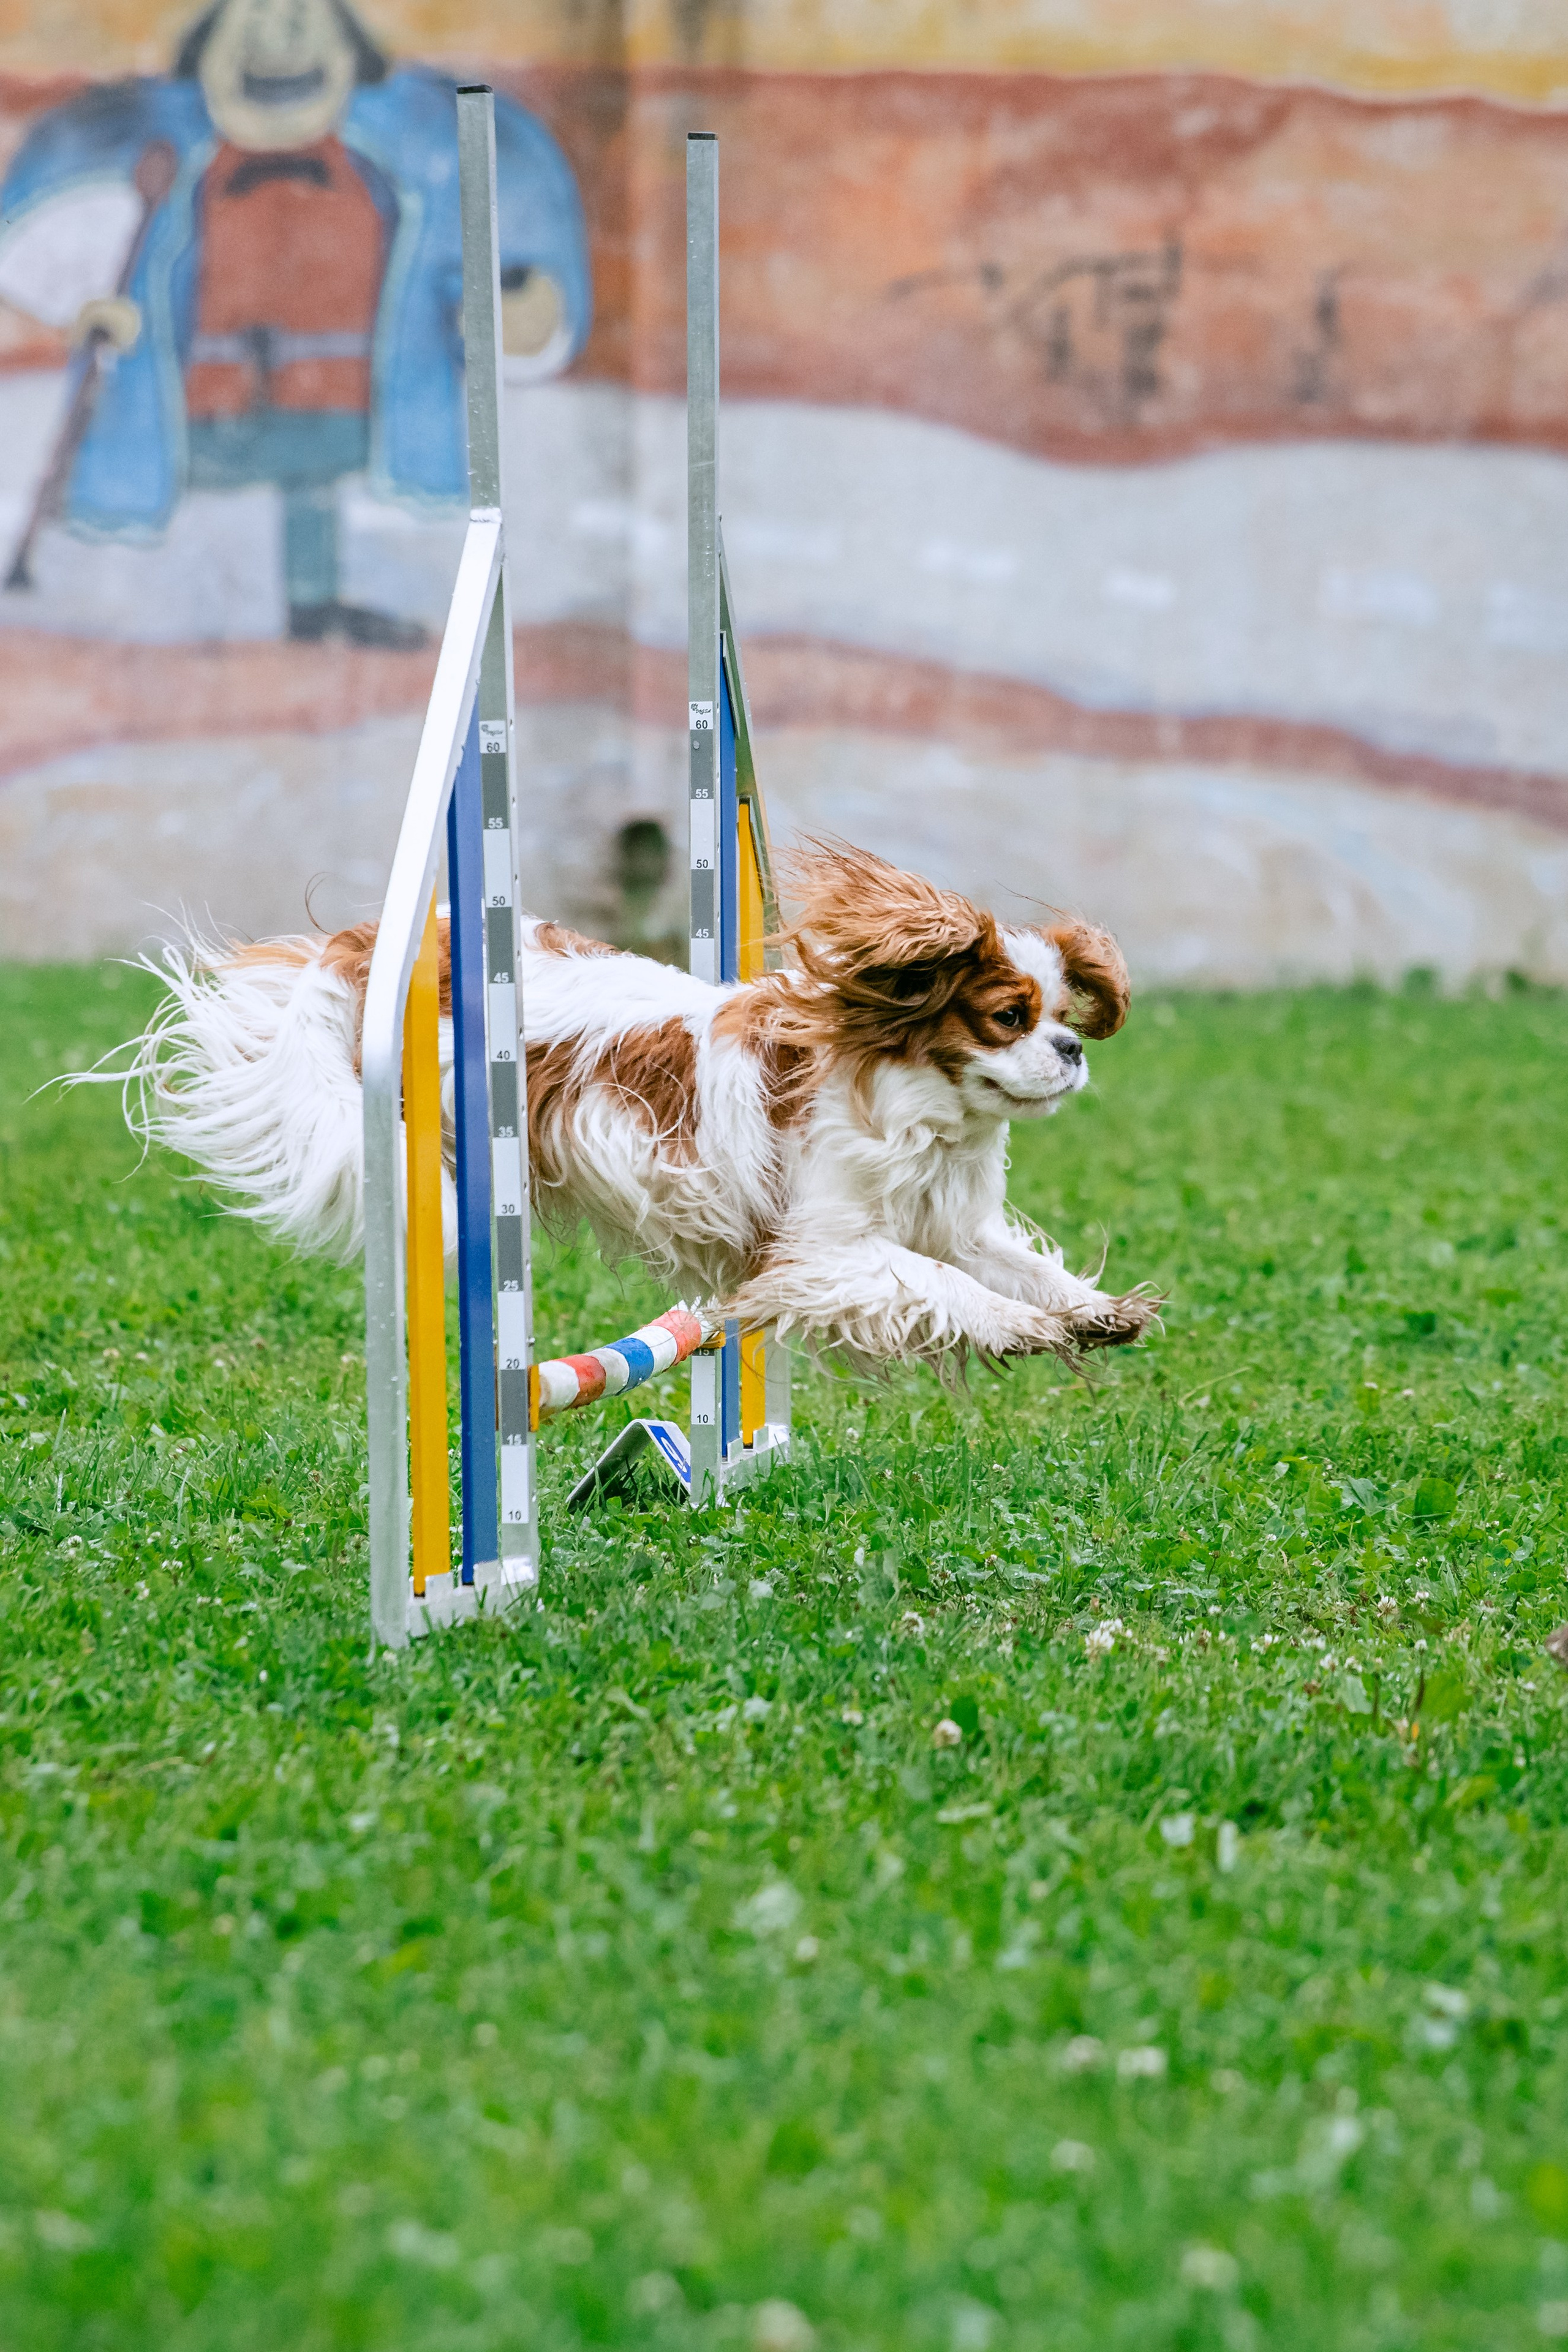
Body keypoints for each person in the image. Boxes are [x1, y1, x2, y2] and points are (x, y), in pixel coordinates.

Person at [0, 0, 591, 644]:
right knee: (205, 498)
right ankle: (199, 616)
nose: (278, 35)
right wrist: (95, 311)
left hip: (336, 396)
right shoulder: (164, 167)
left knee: (311, 493)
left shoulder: (403, 175)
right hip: (203, 401)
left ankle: (309, 606)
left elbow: (468, 270)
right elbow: (81, 255)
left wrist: (513, 309)